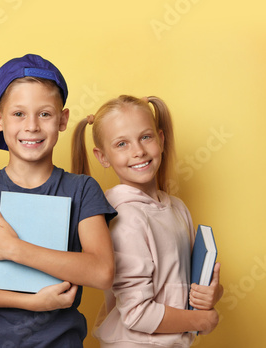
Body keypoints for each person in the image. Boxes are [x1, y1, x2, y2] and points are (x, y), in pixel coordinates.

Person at [0, 53, 117, 347]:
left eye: (44, 113)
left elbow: (102, 272)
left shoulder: (83, 190)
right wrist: (31, 303)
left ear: (63, 119)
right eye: (18, 113)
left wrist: (15, 249)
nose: (31, 126)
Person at [71, 95, 223, 347]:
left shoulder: (176, 208)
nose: (138, 151)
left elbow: (189, 280)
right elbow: (136, 313)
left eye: (145, 137)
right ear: (103, 157)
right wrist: (200, 322)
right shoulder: (124, 217)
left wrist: (212, 293)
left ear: (161, 140)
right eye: (121, 144)